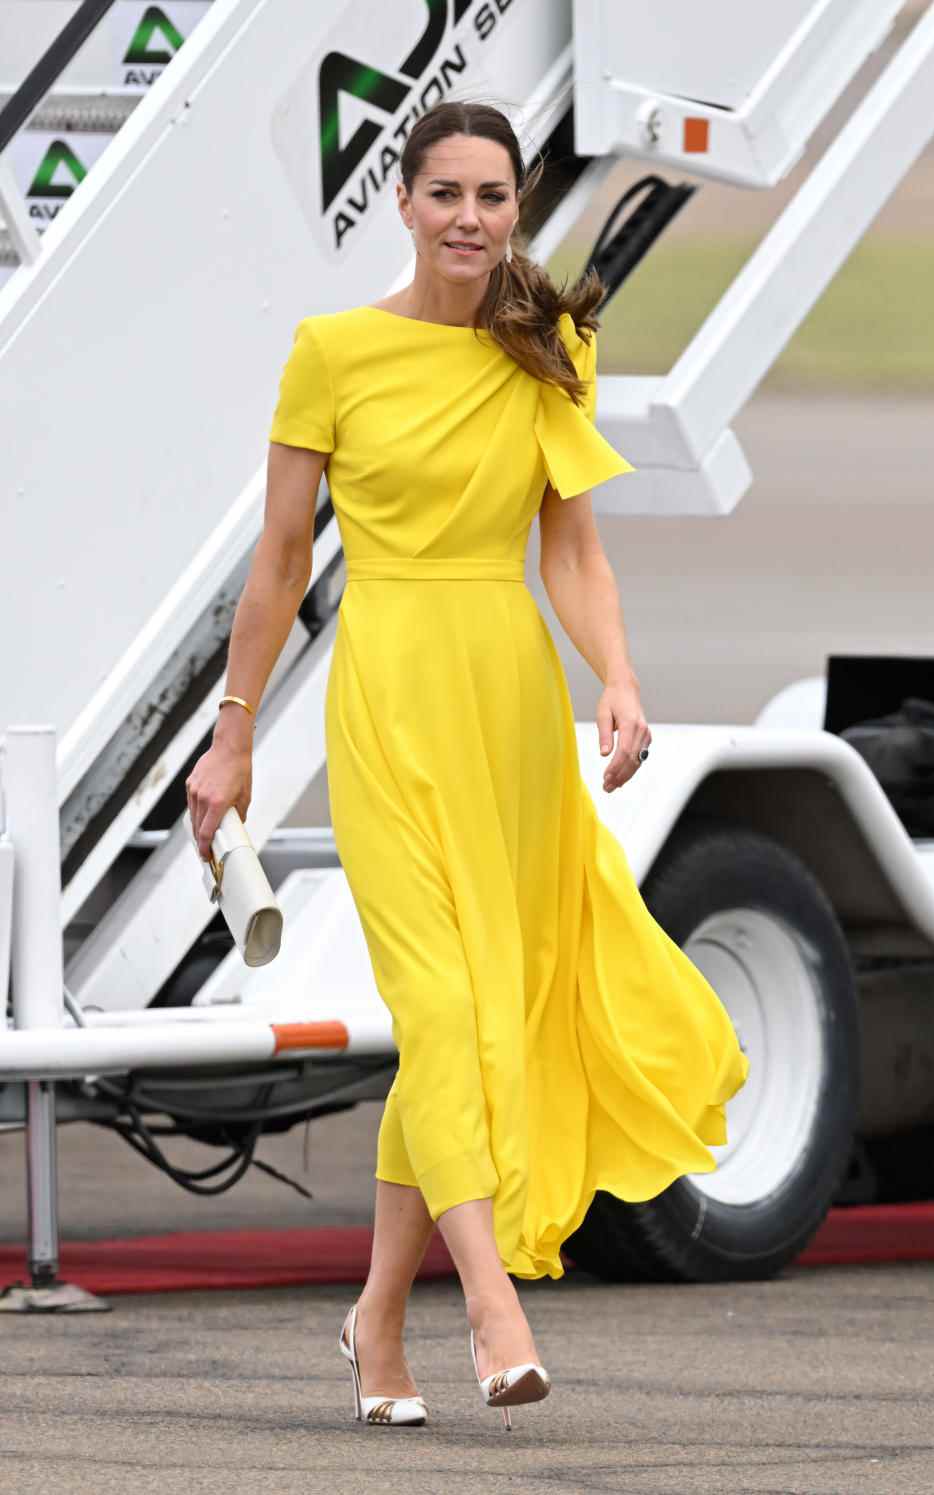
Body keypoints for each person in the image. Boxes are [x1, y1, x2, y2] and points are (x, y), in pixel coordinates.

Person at [186, 98, 750, 1433]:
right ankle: (494, 1310)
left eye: (493, 197)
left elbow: (573, 549)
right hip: (387, 704)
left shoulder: (550, 348)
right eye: (445, 194)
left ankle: (379, 1321)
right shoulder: (332, 353)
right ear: (402, 201)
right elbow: (277, 564)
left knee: (472, 1022)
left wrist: (616, 675)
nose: (470, 220)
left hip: (508, 710)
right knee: (442, 1015)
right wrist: (234, 731)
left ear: (516, 209)